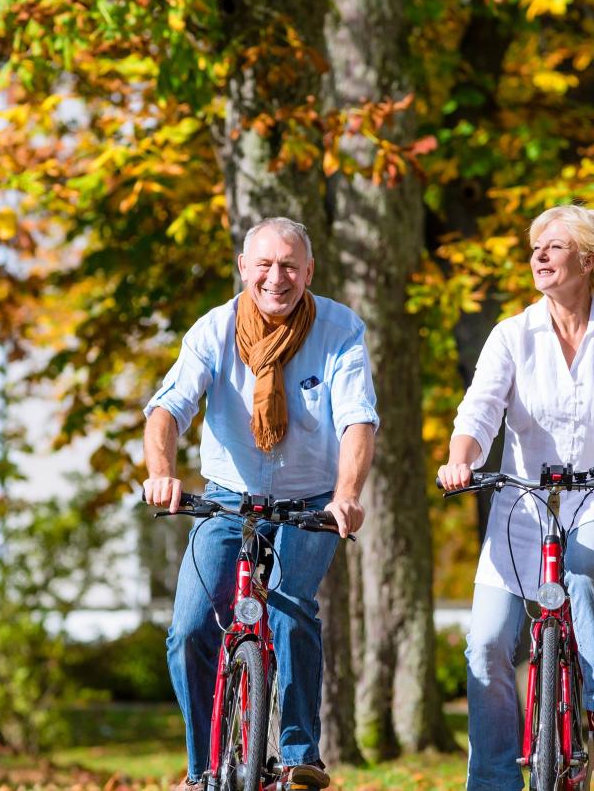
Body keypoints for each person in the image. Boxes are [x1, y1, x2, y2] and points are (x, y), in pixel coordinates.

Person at [436, 204, 594, 791]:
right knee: (487, 643)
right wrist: (460, 457)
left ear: (588, 260)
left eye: (554, 246)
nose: (538, 255)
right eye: (535, 246)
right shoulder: (512, 334)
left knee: (586, 562)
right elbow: (481, 408)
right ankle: (491, 779)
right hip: (522, 505)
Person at [143, 217, 379, 791]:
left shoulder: (339, 328)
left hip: (310, 498)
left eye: (291, 266)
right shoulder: (215, 330)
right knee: (191, 628)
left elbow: (356, 420)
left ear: (309, 272)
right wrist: (161, 474)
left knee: (290, 606)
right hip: (229, 496)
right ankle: (201, 770)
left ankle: (300, 757)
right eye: (266, 265)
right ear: (244, 269)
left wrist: (346, 496)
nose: (279, 277)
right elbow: (167, 409)